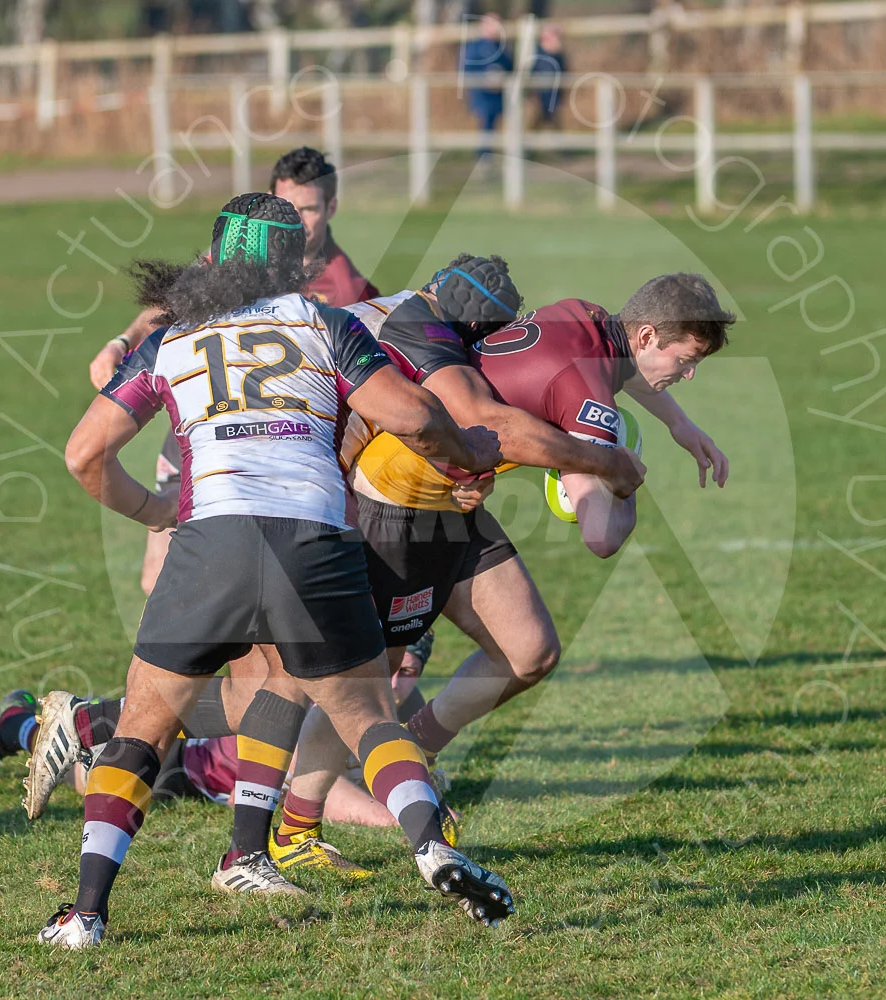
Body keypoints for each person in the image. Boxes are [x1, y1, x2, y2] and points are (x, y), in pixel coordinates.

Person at [37, 193, 511, 950]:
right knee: (367, 718)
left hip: (210, 545)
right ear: (298, 264)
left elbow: (82, 453)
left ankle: (87, 912)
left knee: (144, 727)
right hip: (313, 544)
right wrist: (472, 453)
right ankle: (432, 847)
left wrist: (152, 514)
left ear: (214, 260)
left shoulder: (174, 340)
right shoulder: (327, 325)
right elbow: (414, 416)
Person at [274, 275, 735, 866]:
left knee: (530, 650)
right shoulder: (587, 394)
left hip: (452, 501)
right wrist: (627, 477)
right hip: (396, 501)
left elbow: (613, 377)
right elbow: (600, 536)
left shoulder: (587, 313)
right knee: (366, 680)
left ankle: (417, 747)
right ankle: (293, 831)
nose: (688, 374)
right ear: (645, 334)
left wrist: (679, 423)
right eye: (686, 360)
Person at [86, 147, 379, 597]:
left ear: (331, 208)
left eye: (311, 209)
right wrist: (122, 343)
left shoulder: (347, 292)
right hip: (202, 425)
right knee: (158, 580)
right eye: (290, 207)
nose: (300, 220)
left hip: (284, 451)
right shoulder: (245, 246)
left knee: (251, 600)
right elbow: (179, 304)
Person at [461, 13, 514, 159]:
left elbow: (509, 67)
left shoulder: (501, 47)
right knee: (485, 123)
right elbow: (467, 68)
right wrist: (485, 78)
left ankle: (493, 156)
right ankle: (483, 156)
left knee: (495, 125)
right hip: (482, 94)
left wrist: (501, 76)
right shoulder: (475, 46)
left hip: (498, 95)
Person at [530, 23, 566, 129]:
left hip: (553, 98)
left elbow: (563, 72)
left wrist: (556, 54)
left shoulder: (558, 56)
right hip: (540, 98)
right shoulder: (538, 55)